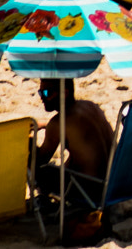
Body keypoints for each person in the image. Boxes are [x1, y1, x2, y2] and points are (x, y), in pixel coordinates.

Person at [36, 79, 114, 210]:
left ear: (64, 93)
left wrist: (30, 141)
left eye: (46, 93)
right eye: (40, 92)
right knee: (75, 155)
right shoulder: (91, 106)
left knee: (41, 171)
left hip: (92, 192)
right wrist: (45, 124)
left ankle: (44, 203)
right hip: (116, 181)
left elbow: (39, 161)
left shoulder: (58, 123)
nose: (42, 98)